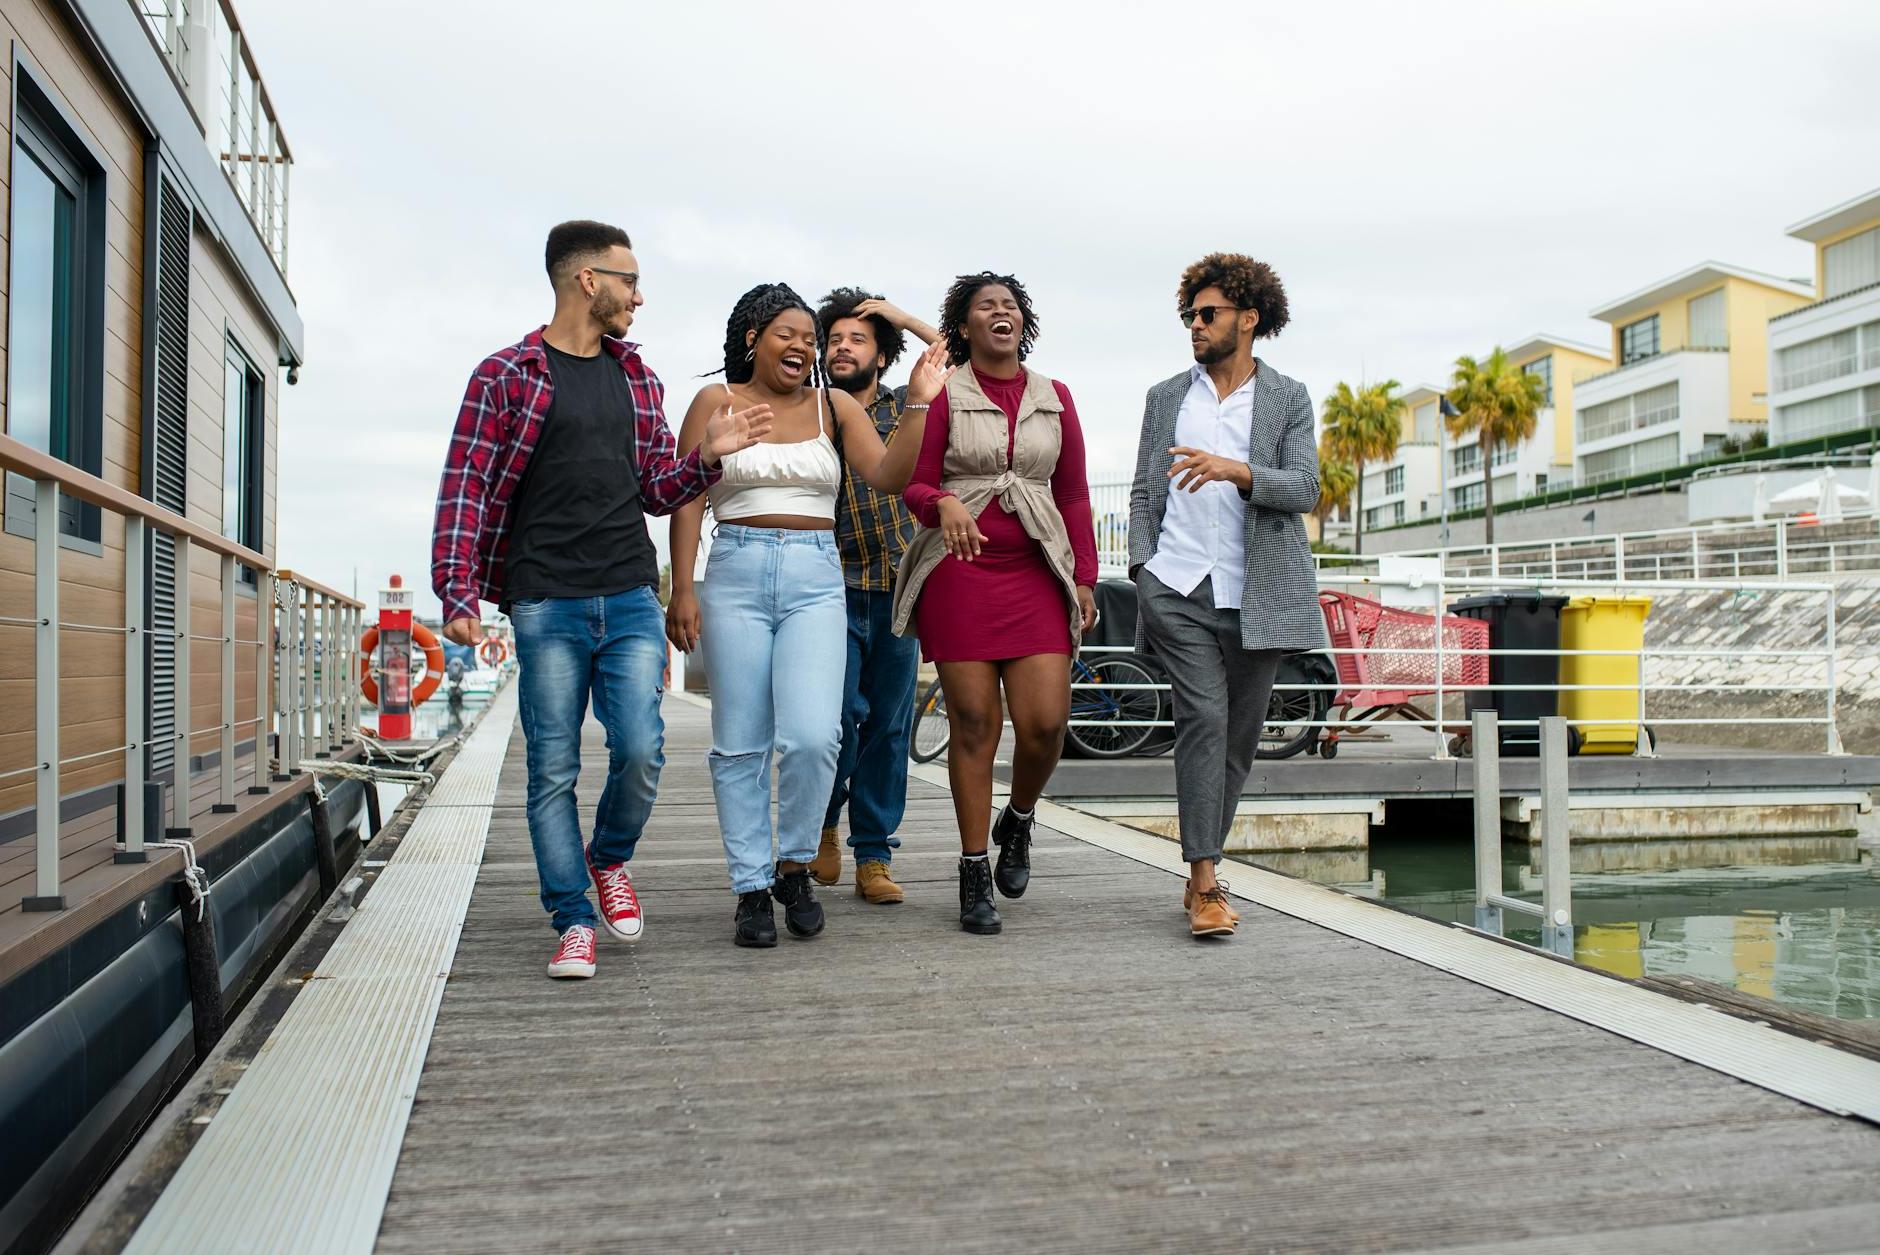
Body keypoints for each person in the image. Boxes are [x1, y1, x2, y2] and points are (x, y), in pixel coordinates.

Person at [431, 220, 773, 980]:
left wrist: (706, 459)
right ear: (588, 280)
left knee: (641, 748)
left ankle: (608, 856)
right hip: (544, 599)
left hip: (627, 593)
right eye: (629, 279)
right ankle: (572, 917)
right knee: (551, 767)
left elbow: (656, 490)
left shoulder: (637, 378)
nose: (638, 296)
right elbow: (466, 487)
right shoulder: (505, 375)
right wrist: (456, 587)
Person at [667, 283, 951, 947]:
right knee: (739, 741)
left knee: (816, 735)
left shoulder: (836, 406)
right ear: (750, 340)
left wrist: (917, 402)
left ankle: (794, 863)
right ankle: (749, 885)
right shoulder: (716, 401)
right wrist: (682, 586)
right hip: (734, 570)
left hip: (816, 577)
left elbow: (888, 475)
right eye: (785, 333)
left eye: (808, 337)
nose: (802, 345)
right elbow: (685, 494)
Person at [891, 271, 1098, 936]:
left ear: (1021, 322)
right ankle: (974, 868)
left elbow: (1072, 495)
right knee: (975, 722)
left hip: (1036, 570)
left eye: (1010, 305)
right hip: (962, 569)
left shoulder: (1054, 396)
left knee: (1045, 724)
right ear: (966, 324)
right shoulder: (944, 394)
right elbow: (914, 485)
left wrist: (1085, 575)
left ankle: (1021, 817)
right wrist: (945, 500)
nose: (1000, 313)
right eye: (987, 306)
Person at [1127, 253, 1321, 939]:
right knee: (1204, 718)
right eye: (1190, 315)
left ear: (1249, 317)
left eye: (1207, 314)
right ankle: (1207, 881)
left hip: (1257, 593)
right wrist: (1142, 565)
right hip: (1176, 583)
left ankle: (1201, 870)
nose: (1195, 325)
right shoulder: (1164, 397)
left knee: (1239, 740)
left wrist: (1237, 471)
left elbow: (1305, 487)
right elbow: (1146, 489)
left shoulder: (1288, 397)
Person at [812, 289, 938, 904]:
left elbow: (954, 358)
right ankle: (823, 825)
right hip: (826, 589)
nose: (842, 347)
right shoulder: (810, 411)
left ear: (882, 354)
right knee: (834, 718)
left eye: (857, 339)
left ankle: (874, 856)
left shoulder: (908, 407)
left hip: (896, 589)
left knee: (888, 727)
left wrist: (898, 316)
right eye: (833, 339)